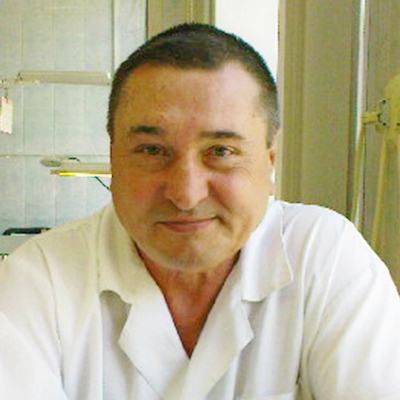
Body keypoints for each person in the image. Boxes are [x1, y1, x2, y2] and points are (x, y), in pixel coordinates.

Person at [0, 23, 399, 400]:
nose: (186, 195)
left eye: (221, 151)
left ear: (269, 159)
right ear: (114, 157)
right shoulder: (39, 279)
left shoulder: (323, 256)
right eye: (152, 151)